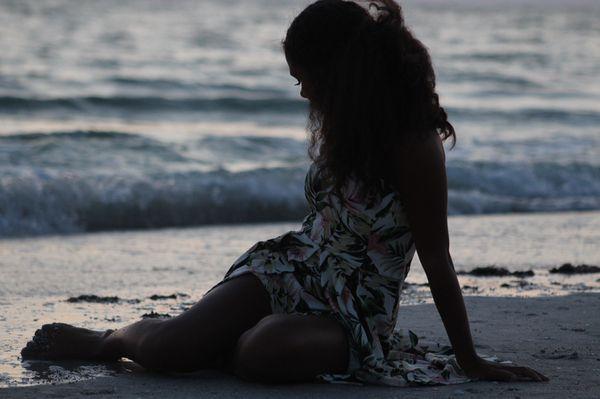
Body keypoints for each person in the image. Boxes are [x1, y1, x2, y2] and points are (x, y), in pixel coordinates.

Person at [21, 0, 548, 386]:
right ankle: (107, 339)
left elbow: (436, 255)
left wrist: (470, 359)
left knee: (259, 356)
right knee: (169, 349)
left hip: (356, 307)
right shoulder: (344, 123)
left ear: (340, 71)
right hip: (293, 264)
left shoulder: (414, 144)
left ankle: (232, 339)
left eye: (306, 77)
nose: (302, 91)